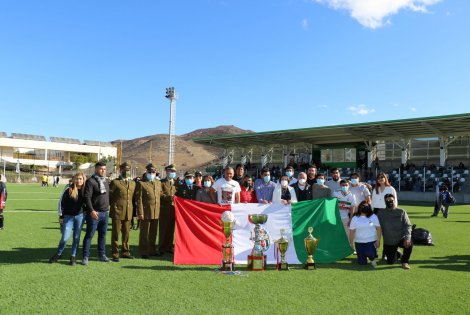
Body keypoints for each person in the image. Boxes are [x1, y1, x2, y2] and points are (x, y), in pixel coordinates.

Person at [49, 173, 86, 266]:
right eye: (77, 179)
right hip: (68, 217)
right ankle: (59, 253)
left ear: (83, 180)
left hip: (80, 217)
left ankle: (73, 256)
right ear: (74, 179)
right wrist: (61, 216)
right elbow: (61, 202)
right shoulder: (68, 189)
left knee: (76, 238)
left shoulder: (86, 191)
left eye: (80, 179)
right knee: (65, 237)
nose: (79, 181)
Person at [81, 162, 110, 265]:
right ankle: (85, 256)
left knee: (102, 235)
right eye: (101, 169)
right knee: (89, 235)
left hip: (105, 213)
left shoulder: (106, 181)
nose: (103, 170)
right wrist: (91, 210)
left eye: (104, 169)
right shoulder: (91, 181)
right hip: (94, 213)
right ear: (96, 169)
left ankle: (102, 255)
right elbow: (87, 197)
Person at [376, 194, 413, 270]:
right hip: (389, 241)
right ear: (385, 201)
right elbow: (375, 226)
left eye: (391, 200)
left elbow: (408, 226)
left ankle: (405, 262)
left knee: (409, 244)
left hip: (401, 238)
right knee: (390, 262)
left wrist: (407, 238)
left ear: (394, 200)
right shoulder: (380, 213)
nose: (390, 202)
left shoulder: (401, 212)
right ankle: (398, 253)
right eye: (387, 201)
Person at [109, 162, 136, 262]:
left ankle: (125, 252)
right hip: (117, 212)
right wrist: (114, 206)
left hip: (128, 212)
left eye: (128, 170)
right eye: (125, 170)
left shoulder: (133, 183)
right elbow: (110, 196)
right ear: (120, 170)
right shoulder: (115, 182)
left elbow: (133, 198)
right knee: (116, 234)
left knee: (126, 234)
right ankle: (115, 254)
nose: (127, 172)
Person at [136, 163, 162, 258]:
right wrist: (140, 212)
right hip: (145, 212)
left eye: (153, 172)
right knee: (144, 232)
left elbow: (160, 195)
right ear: (146, 172)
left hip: (156, 211)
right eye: (150, 172)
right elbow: (138, 199)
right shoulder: (141, 183)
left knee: (153, 232)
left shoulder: (158, 183)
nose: (152, 174)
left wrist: (171, 197)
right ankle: (144, 251)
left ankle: (152, 250)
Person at [349, 201, 381, 267]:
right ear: (359, 207)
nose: (364, 207)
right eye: (363, 206)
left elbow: (379, 229)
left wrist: (378, 241)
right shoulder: (355, 218)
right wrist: (351, 244)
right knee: (362, 263)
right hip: (359, 242)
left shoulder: (373, 216)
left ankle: (372, 257)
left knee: (370, 253)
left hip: (371, 241)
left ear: (369, 207)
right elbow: (352, 232)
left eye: (366, 206)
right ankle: (364, 255)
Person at [158, 164, 177, 254]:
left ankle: (169, 247)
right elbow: (160, 194)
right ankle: (161, 247)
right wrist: (170, 198)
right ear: (166, 171)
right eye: (171, 171)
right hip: (164, 209)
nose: (173, 173)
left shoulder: (176, 183)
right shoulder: (162, 182)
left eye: (174, 172)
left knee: (171, 229)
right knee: (163, 229)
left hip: (173, 209)